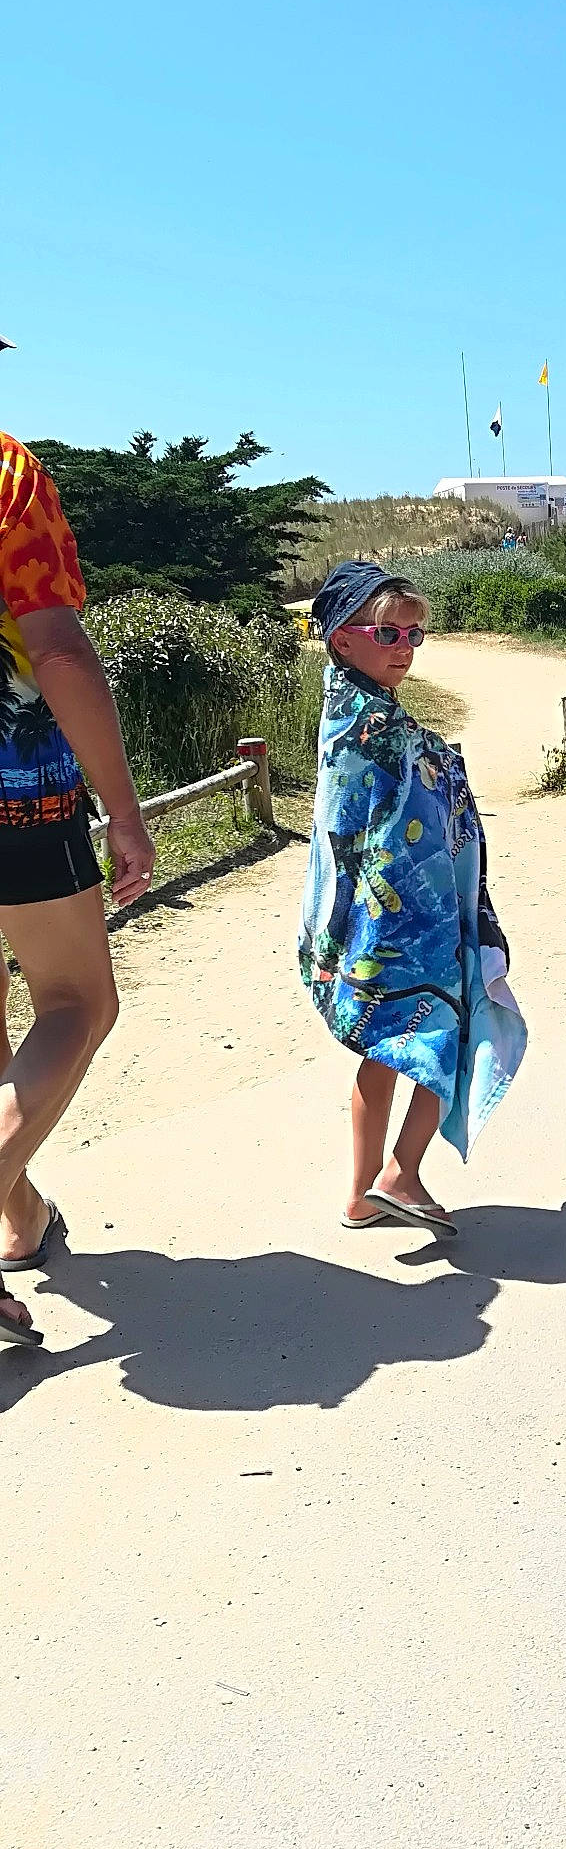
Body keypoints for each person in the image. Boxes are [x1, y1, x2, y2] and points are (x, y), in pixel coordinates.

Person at [299, 561, 526, 1237]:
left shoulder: (349, 712)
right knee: (443, 1036)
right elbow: (412, 778)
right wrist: (445, 763)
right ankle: (402, 1172)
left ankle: (361, 1194)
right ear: (343, 638)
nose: (403, 648)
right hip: (404, 922)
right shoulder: (369, 728)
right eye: (389, 633)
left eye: (415, 636)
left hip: (373, 923)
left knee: (383, 1048)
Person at [0, 430, 155, 1347]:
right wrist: (124, 809)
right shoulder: (8, 473)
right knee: (77, 1000)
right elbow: (54, 651)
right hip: (13, 786)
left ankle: (20, 1221)